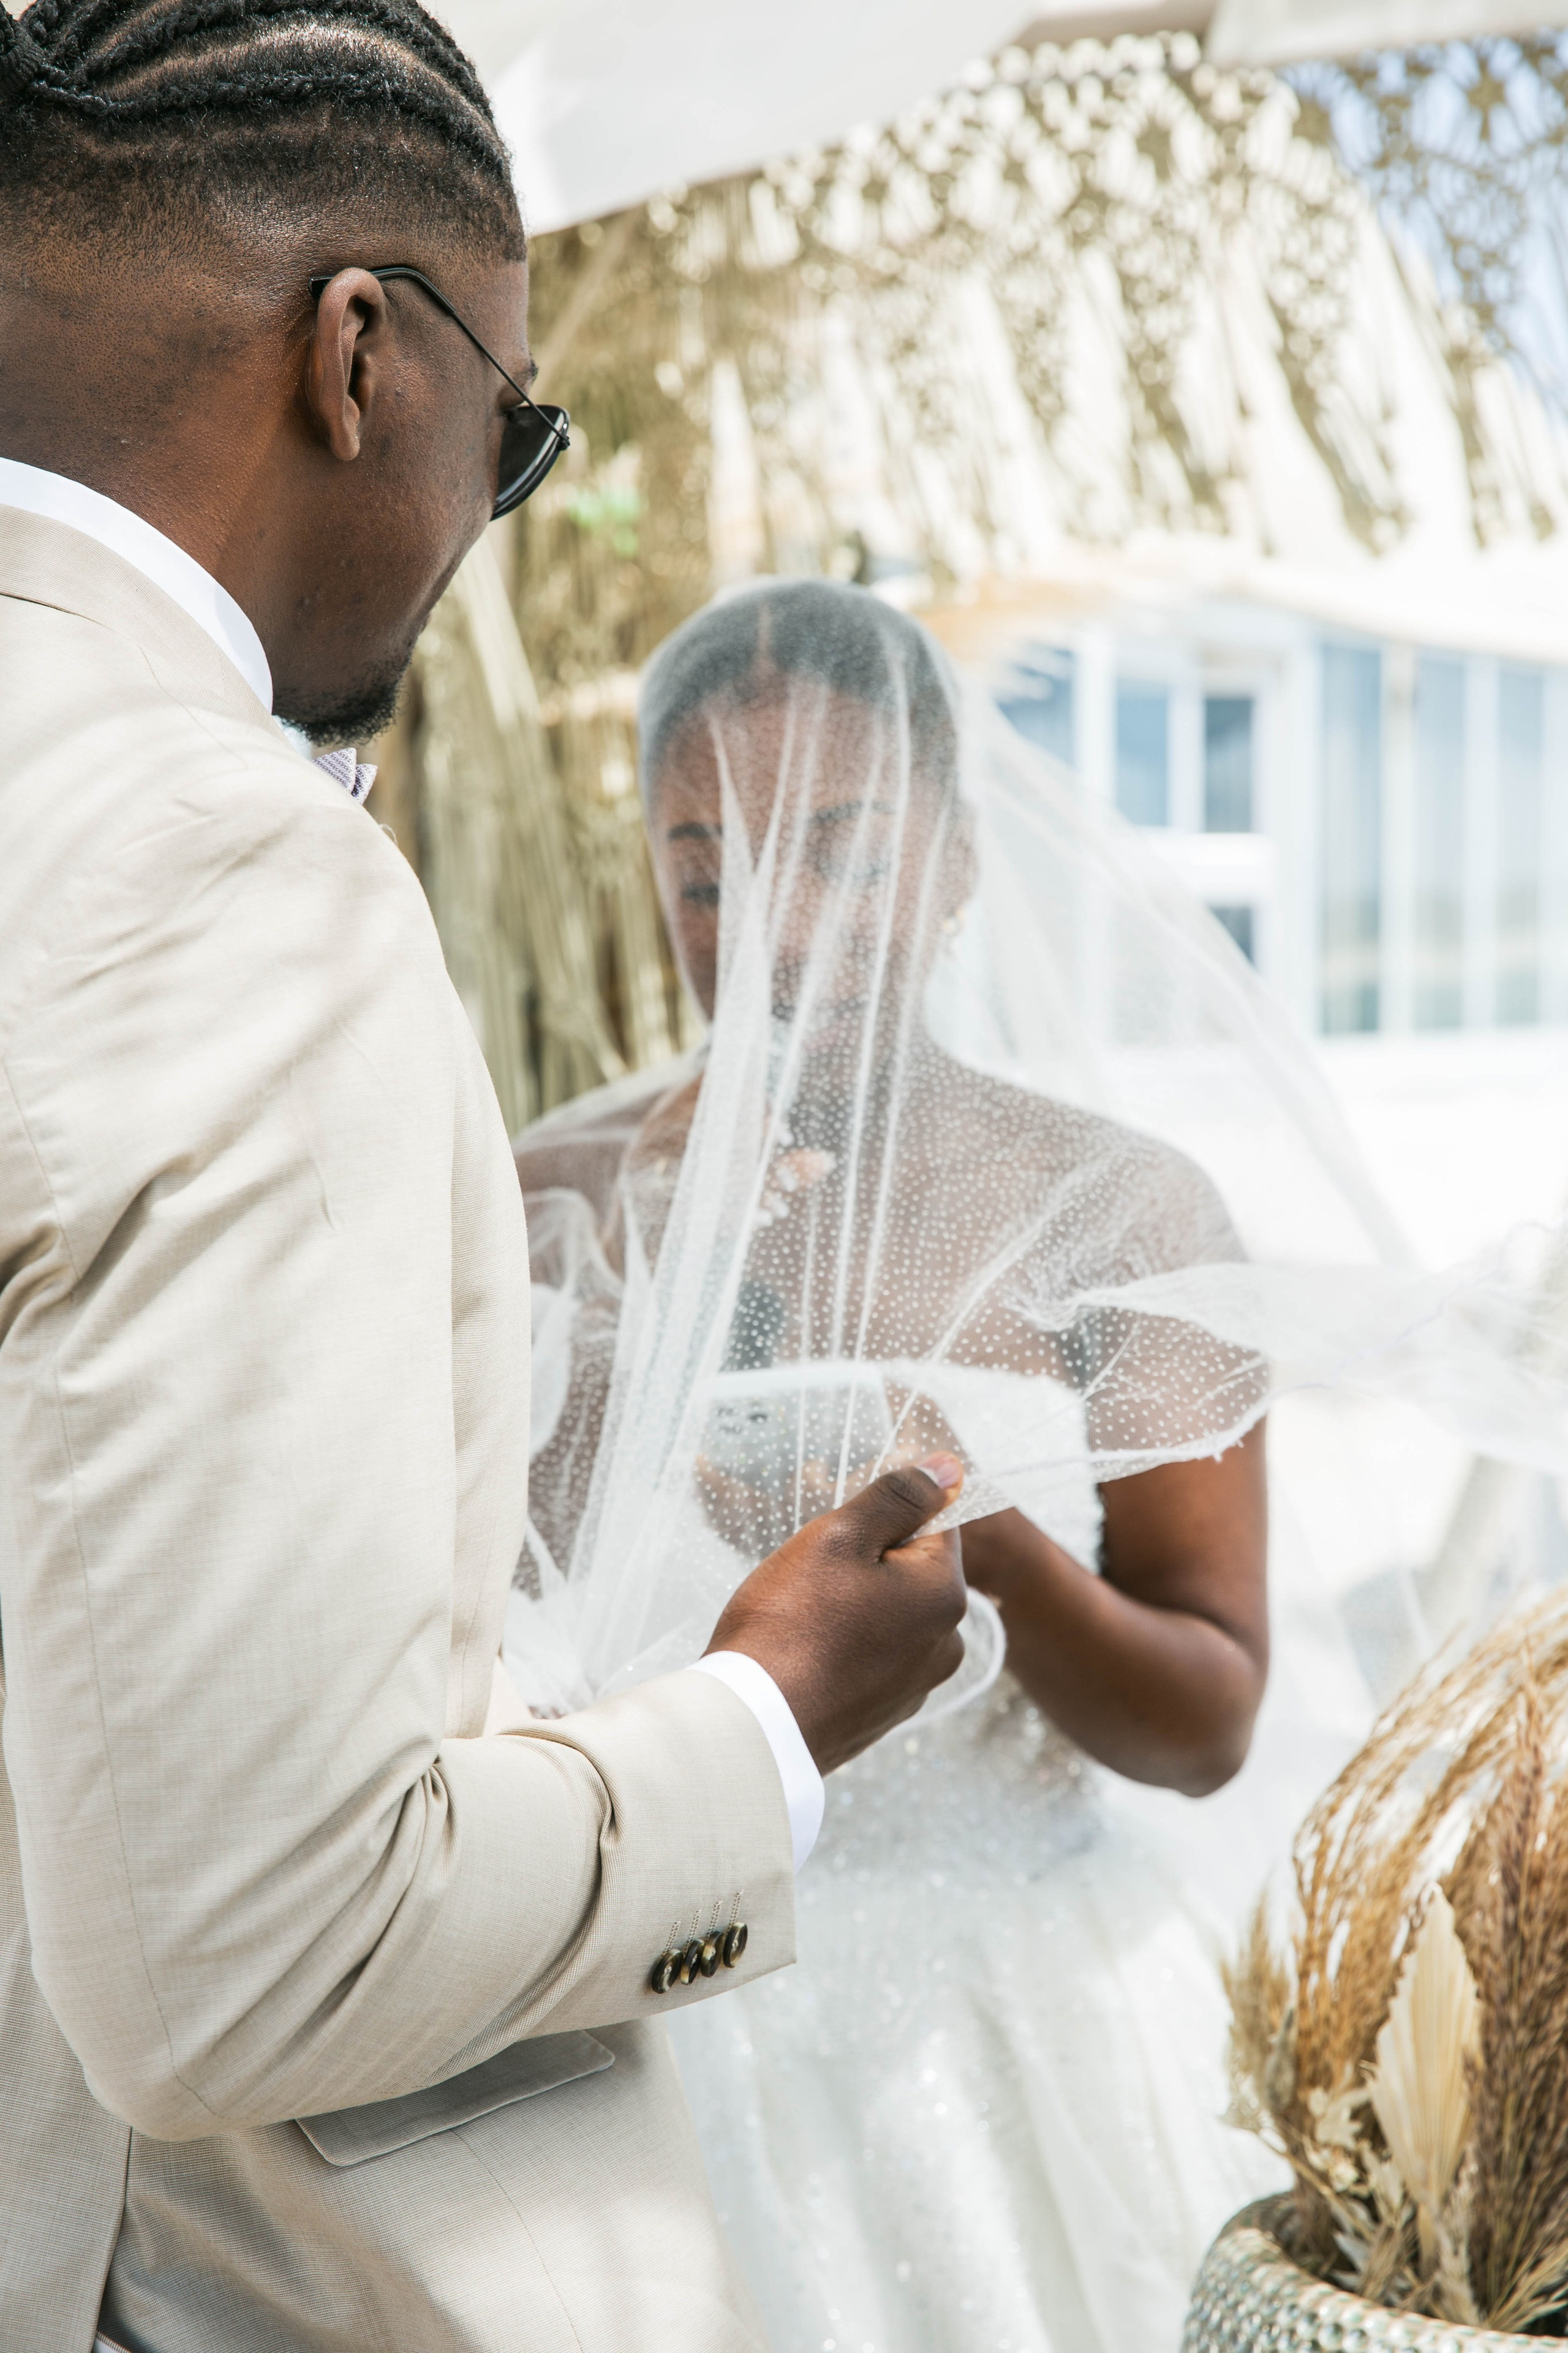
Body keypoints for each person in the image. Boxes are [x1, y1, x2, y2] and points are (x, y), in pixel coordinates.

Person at [0, 17, 971, 2353]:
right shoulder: (217, 865)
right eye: (516, 434)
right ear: (363, 356)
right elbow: (249, 1955)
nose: (483, 509)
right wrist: (766, 1717)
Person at [511, 580, 1307, 2352]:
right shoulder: (549, 1209)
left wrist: (986, 1536)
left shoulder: (1120, 1213)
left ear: (955, 861)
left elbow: (1207, 1723)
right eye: (707, 865)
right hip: (653, 2038)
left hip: (1016, 2037)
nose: (769, 927)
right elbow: (474, 1644)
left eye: (841, 855)